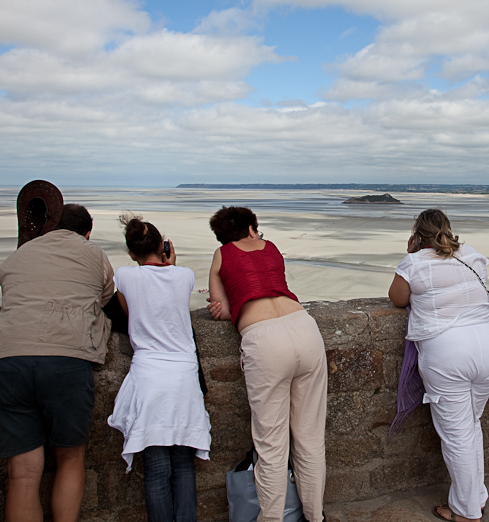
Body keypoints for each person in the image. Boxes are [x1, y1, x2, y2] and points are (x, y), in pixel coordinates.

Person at [0, 204, 115, 522]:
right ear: (87, 232)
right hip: (66, 359)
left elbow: (7, 283)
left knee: (23, 475)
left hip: (8, 359)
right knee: (70, 457)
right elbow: (104, 295)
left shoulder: (22, 253)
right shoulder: (92, 252)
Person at [206, 207, 327, 522]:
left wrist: (232, 303)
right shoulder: (271, 248)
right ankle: (316, 518)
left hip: (264, 340)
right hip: (304, 327)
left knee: (272, 447)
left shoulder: (221, 255)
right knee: (310, 438)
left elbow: (219, 307)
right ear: (250, 229)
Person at [388, 209, 489, 522]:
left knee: (458, 436)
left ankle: (465, 512)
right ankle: (476, 497)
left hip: (448, 353)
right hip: (488, 348)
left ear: (417, 235)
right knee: (471, 426)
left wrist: (411, 253)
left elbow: (397, 298)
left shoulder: (414, 262)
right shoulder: (473, 256)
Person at [107, 215, 211, 522]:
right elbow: (170, 285)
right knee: (183, 465)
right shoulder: (184, 275)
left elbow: (129, 310)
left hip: (149, 377)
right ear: (163, 247)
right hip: (183, 377)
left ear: (131, 253)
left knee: (156, 471)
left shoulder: (125, 276)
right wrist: (172, 264)